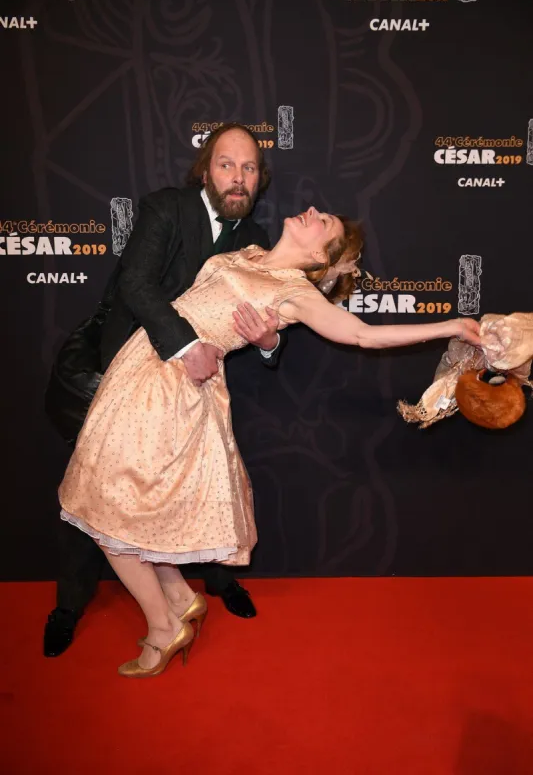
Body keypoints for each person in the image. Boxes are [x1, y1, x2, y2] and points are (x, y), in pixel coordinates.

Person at [58, 203, 480, 678]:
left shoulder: (296, 295)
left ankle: (162, 630)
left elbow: (363, 335)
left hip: (170, 395)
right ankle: (179, 600)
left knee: (108, 509)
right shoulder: (250, 251)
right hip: (145, 366)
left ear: (321, 255)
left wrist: (452, 326)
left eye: (325, 223)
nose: (314, 211)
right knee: (131, 505)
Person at [44, 123, 284, 658]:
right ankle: (69, 606)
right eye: (227, 164)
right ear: (206, 168)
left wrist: (267, 342)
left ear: (258, 180)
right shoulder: (165, 208)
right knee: (100, 493)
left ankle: (211, 587)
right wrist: (184, 347)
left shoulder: (257, 242)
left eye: (248, 169)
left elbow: (264, 326)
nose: (238, 178)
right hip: (125, 374)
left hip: (194, 392)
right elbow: (135, 284)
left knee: (197, 492)